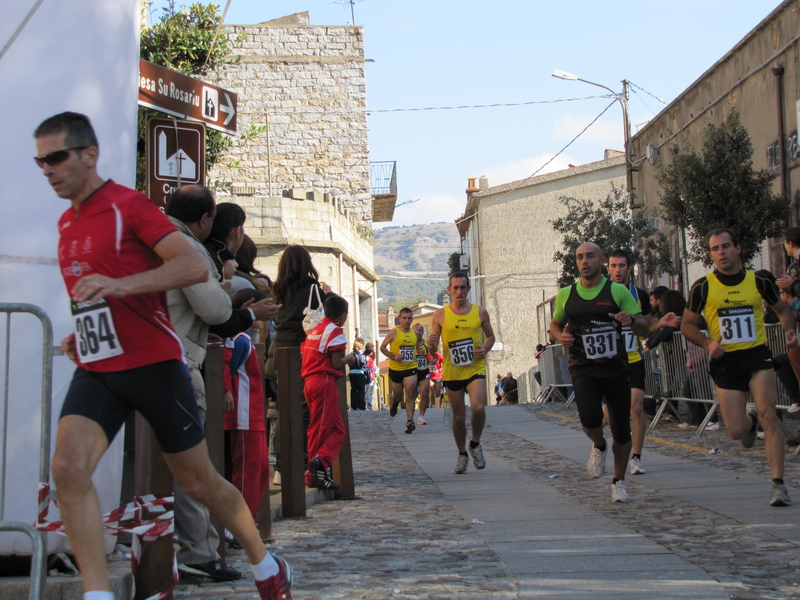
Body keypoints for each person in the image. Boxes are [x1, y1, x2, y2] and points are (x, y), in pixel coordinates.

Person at [35, 112, 292, 600]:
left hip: (154, 363)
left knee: (198, 481)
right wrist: (82, 334)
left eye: (56, 157)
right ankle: (96, 594)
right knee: (68, 470)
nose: (47, 169)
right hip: (100, 366)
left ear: (88, 156)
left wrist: (120, 286)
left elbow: (194, 265)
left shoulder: (127, 207)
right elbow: (93, 299)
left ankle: (265, 565)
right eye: (40, 160)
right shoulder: (67, 223)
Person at [165, 184, 279, 581]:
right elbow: (214, 312)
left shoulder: (150, 241)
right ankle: (207, 552)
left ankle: (141, 537)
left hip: (140, 359)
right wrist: (244, 308)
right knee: (196, 469)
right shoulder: (187, 248)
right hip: (178, 361)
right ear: (205, 219)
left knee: (146, 461)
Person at [681, 228, 796, 507]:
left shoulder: (759, 280)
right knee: (735, 431)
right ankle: (750, 423)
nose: (721, 252)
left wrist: (790, 331)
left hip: (757, 356)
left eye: (725, 246)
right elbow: (686, 325)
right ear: (711, 254)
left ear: (738, 248)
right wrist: (708, 344)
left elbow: (782, 309)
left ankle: (778, 484)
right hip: (725, 362)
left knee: (770, 416)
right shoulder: (703, 286)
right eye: (715, 249)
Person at [549, 243, 664, 503]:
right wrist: (561, 336)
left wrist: (631, 321)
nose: (584, 261)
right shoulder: (566, 294)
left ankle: (618, 481)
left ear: (601, 260)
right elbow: (554, 325)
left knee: (622, 430)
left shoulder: (618, 291)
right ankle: (599, 444)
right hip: (583, 366)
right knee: (590, 419)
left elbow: (645, 328)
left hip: (616, 367)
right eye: (579, 257)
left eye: (590, 256)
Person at [607, 249, 681, 475]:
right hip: (608, 361)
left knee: (636, 407)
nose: (618, 270)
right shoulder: (601, 295)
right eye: (614, 266)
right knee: (610, 412)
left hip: (633, 358)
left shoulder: (638, 294)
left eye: (622, 266)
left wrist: (662, 323)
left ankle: (636, 457)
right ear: (607, 268)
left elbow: (647, 326)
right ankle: (617, 440)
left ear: (629, 268)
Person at [266, 245, 334, 483]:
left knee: (284, 410)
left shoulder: (277, 290)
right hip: (305, 353)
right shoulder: (313, 289)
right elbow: (332, 313)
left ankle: (281, 468)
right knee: (306, 410)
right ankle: (307, 462)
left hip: (279, 353)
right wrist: (329, 293)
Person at [428, 272, 496, 474]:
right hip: (452, 371)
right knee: (458, 417)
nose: (459, 292)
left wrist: (485, 348)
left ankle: (475, 443)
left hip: (475, 368)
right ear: (449, 289)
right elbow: (433, 349)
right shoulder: (440, 315)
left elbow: (490, 336)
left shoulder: (480, 312)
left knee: (478, 408)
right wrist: (432, 346)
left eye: (462, 287)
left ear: (468, 289)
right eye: (455, 288)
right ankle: (462, 454)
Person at [223, 289, 271, 519]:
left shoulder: (244, 340)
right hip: (243, 415)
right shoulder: (239, 340)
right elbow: (225, 369)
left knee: (258, 470)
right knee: (247, 471)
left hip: (252, 414)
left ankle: (245, 519)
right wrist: (226, 391)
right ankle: (238, 522)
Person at [302, 295, 358, 490]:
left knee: (336, 429)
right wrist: (348, 359)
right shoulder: (334, 332)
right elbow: (336, 362)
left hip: (310, 380)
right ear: (343, 316)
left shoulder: (314, 329)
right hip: (324, 380)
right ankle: (315, 469)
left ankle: (319, 466)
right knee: (319, 428)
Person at [380, 308, 419, 434]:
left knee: (410, 394)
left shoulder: (416, 333)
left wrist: (421, 352)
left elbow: (418, 348)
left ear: (412, 319)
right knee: (398, 395)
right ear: (400, 319)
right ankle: (395, 404)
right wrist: (393, 356)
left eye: (409, 318)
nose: (407, 320)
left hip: (411, 368)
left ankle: (410, 421)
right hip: (396, 369)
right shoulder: (393, 332)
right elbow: (382, 347)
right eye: (404, 318)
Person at [777, 226, 800, 413]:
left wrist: (792, 286)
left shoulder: (795, 267)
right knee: (783, 360)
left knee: (793, 356)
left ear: (790, 243)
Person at [413, 323, 432, 424]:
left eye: (420, 330)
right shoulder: (411, 344)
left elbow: (433, 357)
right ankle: (409, 414)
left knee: (425, 393)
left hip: (424, 370)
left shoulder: (426, 344)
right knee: (412, 394)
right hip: (413, 371)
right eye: (416, 330)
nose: (419, 332)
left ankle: (421, 416)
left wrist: (432, 361)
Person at [348, 338, 367, 411]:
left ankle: (354, 406)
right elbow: (361, 363)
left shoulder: (351, 354)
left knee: (353, 390)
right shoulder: (359, 354)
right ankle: (361, 406)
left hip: (351, 373)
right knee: (361, 390)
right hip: (359, 373)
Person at [363, 342, 377, 410]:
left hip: (372, 377)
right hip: (367, 376)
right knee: (367, 392)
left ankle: (369, 406)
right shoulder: (365, 357)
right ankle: (366, 406)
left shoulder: (372, 356)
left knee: (370, 393)